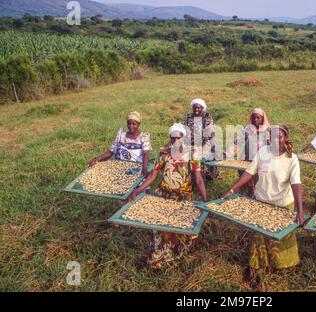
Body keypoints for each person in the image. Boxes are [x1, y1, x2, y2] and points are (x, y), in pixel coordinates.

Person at [221, 125, 305, 285]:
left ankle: (276, 265)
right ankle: (254, 268)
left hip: (282, 204)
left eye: (278, 137)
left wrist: (300, 211)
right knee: (258, 236)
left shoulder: (291, 159)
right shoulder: (263, 152)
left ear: (285, 138)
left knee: (278, 238)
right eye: (272, 137)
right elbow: (249, 172)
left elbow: (296, 185)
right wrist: (231, 190)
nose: (275, 140)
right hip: (262, 201)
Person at [127, 123, 208, 268]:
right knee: (159, 225)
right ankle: (158, 257)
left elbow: (199, 178)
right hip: (164, 194)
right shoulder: (164, 152)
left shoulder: (192, 153)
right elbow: (153, 175)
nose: (176, 141)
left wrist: (205, 200)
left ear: (184, 138)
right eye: (173, 138)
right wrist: (137, 191)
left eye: (179, 138)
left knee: (179, 226)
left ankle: (174, 256)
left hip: (183, 195)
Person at [88, 111, 151, 176]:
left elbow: (145, 153)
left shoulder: (144, 136)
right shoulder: (121, 136)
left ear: (138, 124)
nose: (131, 126)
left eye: (134, 124)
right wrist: (96, 159)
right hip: (121, 166)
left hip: (137, 167)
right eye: (129, 124)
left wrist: (144, 169)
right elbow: (110, 151)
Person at [225, 108, 271, 196]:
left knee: (259, 179)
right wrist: (228, 153)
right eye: (253, 118)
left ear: (262, 119)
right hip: (247, 158)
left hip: (262, 159)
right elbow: (238, 141)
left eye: (258, 118)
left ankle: (258, 193)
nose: (255, 120)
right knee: (245, 174)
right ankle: (246, 190)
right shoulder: (248, 129)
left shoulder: (267, 131)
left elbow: (270, 147)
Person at [183, 98, 219, 181]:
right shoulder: (188, 116)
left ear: (203, 108)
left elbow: (210, 132)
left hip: (204, 143)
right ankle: (191, 176)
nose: (196, 109)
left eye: (199, 108)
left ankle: (207, 175)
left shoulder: (207, 117)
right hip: (190, 143)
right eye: (195, 107)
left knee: (206, 156)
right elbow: (184, 129)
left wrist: (213, 145)